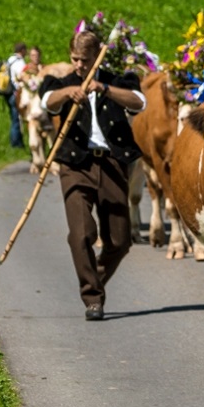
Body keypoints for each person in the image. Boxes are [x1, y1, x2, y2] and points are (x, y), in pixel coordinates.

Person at [39, 31, 146, 321]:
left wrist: (104, 88)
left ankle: (93, 279)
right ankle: (93, 298)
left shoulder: (116, 80)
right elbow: (48, 100)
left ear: (97, 55)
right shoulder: (63, 82)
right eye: (74, 59)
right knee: (81, 234)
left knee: (120, 241)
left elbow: (138, 101)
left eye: (84, 60)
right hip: (75, 165)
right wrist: (68, 94)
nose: (78, 65)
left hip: (112, 164)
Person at [5, 41, 27, 148]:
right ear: (22, 50)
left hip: (8, 93)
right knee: (17, 119)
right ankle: (16, 144)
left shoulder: (10, 60)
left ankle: (16, 142)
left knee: (13, 118)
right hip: (15, 93)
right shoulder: (20, 62)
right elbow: (21, 78)